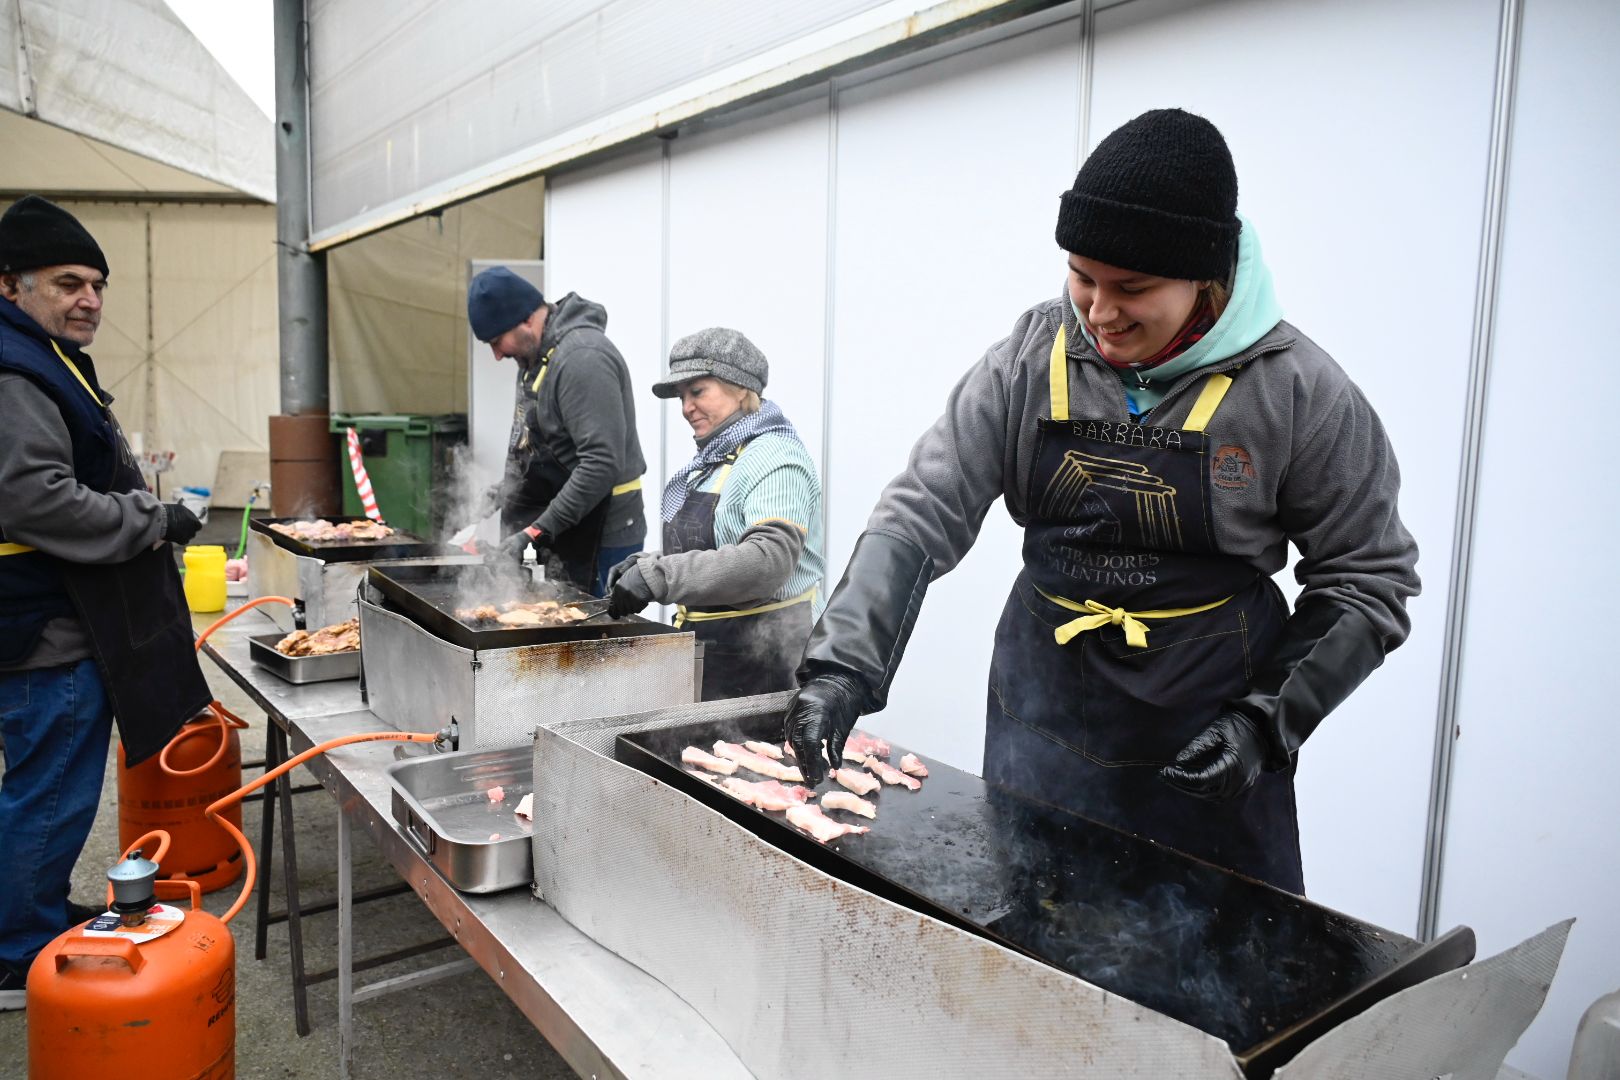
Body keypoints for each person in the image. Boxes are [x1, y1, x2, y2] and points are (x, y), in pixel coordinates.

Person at [783, 110, 1419, 893]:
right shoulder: (1029, 359)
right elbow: (923, 508)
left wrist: (1264, 720)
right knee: (1032, 924)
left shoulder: (1297, 392)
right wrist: (842, 667)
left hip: (1210, 719)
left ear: (1206, 278)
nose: (1100, 313)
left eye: (1134, 288)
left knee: (1217, 956)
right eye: (1083, 276)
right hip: (1043, 709)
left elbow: (1368, 580)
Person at [0, 195, 211, 1007]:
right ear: (11, 284)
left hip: (58, 619)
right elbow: (39, 502)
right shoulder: (16, 371)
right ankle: (17, 953)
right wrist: (150, 518)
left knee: (50, 790)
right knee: (48, 793)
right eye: (67, 282)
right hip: (43, 629)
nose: (88, 298)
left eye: (96, 284)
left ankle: (33, 914)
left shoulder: (45, 355)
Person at [606, 329, 825, 699]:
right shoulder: (717, 459)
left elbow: (766, 561)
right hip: (718, 654)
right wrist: (647, 564)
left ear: (740, 388)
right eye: (681, 396)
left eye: (698, 391)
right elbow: (718, 546)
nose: (686, 407)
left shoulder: (775, 458)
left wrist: (660, 577)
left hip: (768, 663)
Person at [465, 267, 646, 595]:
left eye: (496, 341)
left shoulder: (582, 359)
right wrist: (499, 493)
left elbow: (600, 465)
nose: (496, 354)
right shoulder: (535, 361)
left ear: (526, 320)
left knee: (593, 643)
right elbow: (537, 446)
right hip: (567, 529)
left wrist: (534, 532)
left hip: (601, 535)